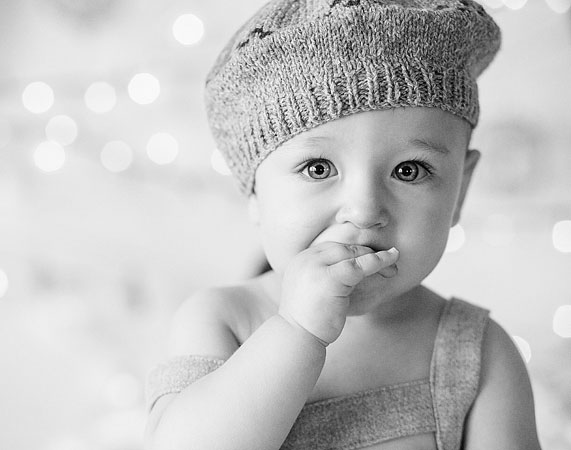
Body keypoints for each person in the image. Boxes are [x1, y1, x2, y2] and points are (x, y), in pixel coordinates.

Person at [144, 1, 541, 449]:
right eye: (317, 168)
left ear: (460, 192)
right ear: (254, 193)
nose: (365, 209)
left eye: (409, 170)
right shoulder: (224, 320)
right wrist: (297, 330)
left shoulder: (476, 353)